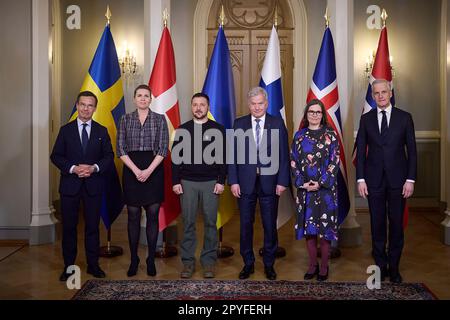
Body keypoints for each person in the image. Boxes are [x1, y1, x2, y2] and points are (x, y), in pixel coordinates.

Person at [356, 79, 417, 283]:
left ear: (390, 93)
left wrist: (410, 179)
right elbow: (361, 153)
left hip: (399, 181)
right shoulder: (366, 119)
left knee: (397, 225)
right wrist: (360, 179)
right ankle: (380, 267)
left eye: (384, 92)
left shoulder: (405, 118)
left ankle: (395, 267)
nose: (380, 96)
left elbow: (412, 152)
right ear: (372, 96)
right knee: (377, 224)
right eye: (376, 93)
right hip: (373, 181)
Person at [51, 91, 114, 281]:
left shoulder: (102, 131)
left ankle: (93, 265)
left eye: (90, 105)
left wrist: (94, 168)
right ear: (77, 105)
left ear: (95, 108)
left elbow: (109, 156)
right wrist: (73, 168)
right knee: (69, 228)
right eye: (83, 105)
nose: (86, 108)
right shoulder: (65, 130)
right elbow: (56, 156)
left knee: (92, 228)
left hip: (93, 186)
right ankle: (69, 267)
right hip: (70, 186)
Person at [228, 86, 290, 280]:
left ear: (267, 103)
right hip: (244, 183)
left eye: (260, 103)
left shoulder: (277, 123)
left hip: (270, 183)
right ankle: (248, 263)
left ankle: (269, 264)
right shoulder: (239, 124)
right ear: (249, 105)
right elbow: (232, 156)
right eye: (253, 104)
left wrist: (282, 181)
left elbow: (283, 156)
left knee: (269, 224)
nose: (256, 107)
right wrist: (233, 181)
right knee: (245, 224)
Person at [171, 93, 226, 279]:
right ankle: (187, 263)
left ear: (207, 107)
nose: (198, 108)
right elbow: (175, 159)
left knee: (211, 223)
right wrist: (175, 181)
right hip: (187, 183)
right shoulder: (182, 129)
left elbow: (224, 158)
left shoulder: (218, 129)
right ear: (191, 107)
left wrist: (221, 181)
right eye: (195, 104)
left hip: (211, 182)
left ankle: (208, 262)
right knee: (188, 223)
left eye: (202, 104)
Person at [117, 84, 169, 277]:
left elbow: (163, 149)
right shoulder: (125, 119)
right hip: (131, 168)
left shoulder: (160, 119)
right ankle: (133, 259)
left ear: (151, 99)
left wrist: (147, 170)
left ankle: (150, 259)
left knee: (153, 213)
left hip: (153, 169)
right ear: (134, 98)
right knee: (132, 214)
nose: (143, 99)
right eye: (139, 95)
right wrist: (136, 170)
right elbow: (120, 149)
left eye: (146, 96)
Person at [290, 99, 340, 282]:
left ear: (323, 115)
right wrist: (302, 183)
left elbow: (335, 162)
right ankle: (312, 265)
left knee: (325, 232)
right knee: (310, 231)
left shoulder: (331, 136)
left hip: (326, 192)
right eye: (311, 112)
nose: (314, 115)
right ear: (306, 114)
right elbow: (293, 162)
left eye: (318, 112)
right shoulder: (299, 136)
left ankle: (324, 267)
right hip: (305, 191)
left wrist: (320, 183)